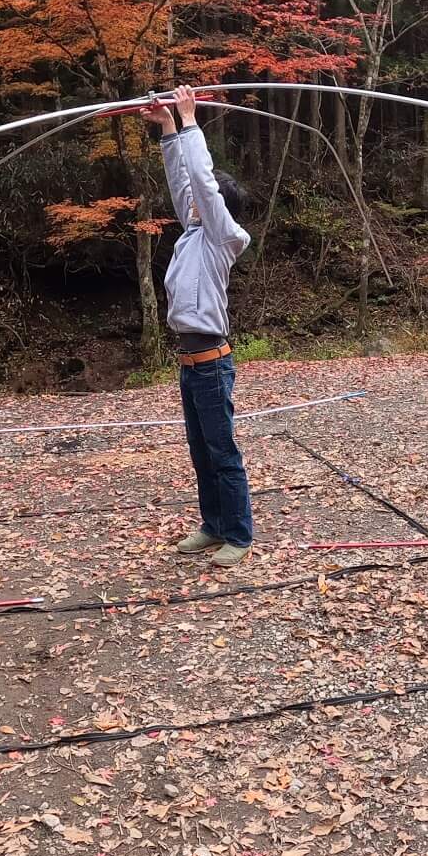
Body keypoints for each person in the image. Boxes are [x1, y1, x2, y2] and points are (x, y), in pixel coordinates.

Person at [143, 85, 255, 567]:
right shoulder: (193, 235)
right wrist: (168, 127)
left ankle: (239, 535)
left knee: (222, 452)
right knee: (201, 451)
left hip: (212, 363)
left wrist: (192, 123)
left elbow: (203, 187)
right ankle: (213, 525)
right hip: (190, 365)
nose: (190, 205)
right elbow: (185, 185)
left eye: (202, 204)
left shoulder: (222, 237)